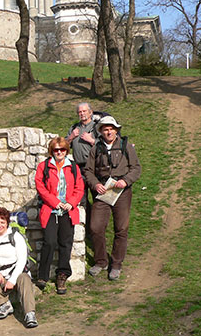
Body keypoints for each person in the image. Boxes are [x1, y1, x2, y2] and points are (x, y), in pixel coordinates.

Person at [84, 116, 141, 281]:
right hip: (103, 191)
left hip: (122, 192)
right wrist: (95, 184)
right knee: (95, 227)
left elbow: (136, 168)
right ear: (101, 131)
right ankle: (101, 261)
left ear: (116, 130)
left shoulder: (126, 146)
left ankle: (116, 264)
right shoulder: (96, 148)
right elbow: (88, 171)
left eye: (111, 129)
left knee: (121, 228)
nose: (108, 132)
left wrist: (126, 180)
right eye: (105, 129)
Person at [35, 137, 84, 294]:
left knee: (65, 243)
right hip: (51, 209)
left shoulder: (73, 167)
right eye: (56, 150)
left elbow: (79, 188)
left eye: (62, 149)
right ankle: (42, 275)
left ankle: (62, 275)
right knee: (49, 242)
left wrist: (71, 202)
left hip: (67, 211)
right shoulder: (44, 167)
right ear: (52, 151)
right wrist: (54, 202)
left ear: (66, 151)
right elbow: (40, 187)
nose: (59, 152)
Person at [0, 207, 38, 328]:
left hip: (16, 273)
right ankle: (4, 304)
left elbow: (22, 260)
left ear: (7, 223)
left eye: (2, 222)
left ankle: (29, 313)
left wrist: (12, 280)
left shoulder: (16, 236)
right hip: (0, 276)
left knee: (24, 278)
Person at [66, 102, 98, 211]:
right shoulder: (74, 128)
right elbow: (64, 146)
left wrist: (92, 140)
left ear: (90, 112)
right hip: (79, 168)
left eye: (84, 111)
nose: (82, 113)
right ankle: (86, 224)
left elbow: (105, 145)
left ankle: (98, 226)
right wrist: (71, 137)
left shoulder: (96, 127)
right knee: (81, 198)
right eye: (80, 112)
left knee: (97, 197)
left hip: (94, 167)